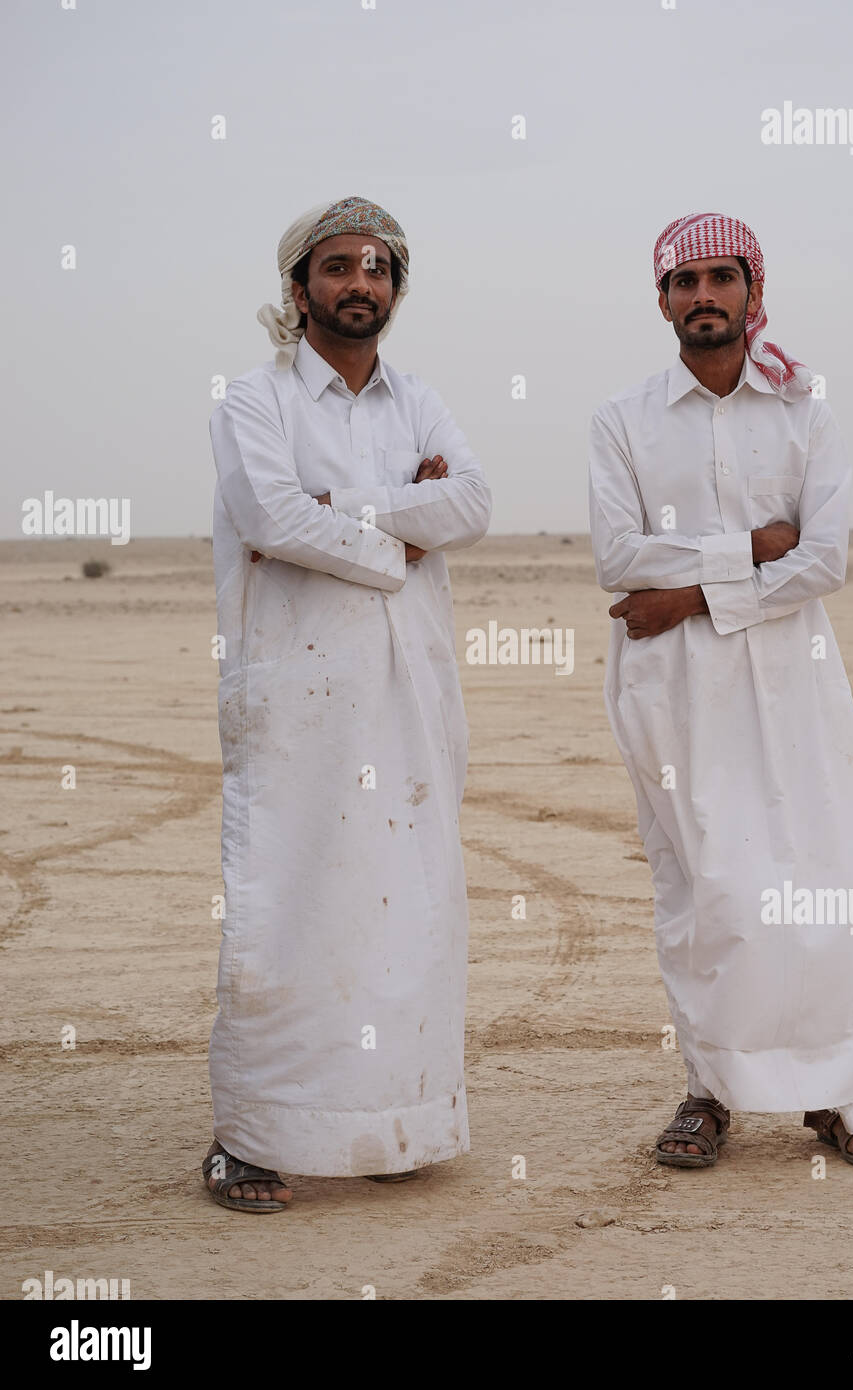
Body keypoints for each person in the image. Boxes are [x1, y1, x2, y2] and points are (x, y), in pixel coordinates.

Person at [588, 212, 853, 1170]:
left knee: (831, 872)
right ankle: (708, 1091)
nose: (702, 298)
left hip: (793, 674)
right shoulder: (624, 420)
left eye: (719, 278)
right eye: (683, 285)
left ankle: (840, 1097)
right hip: (673, 684)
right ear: (662, 303)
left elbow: (822, 561)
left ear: (753, 291)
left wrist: (687, 590)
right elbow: (617, 557)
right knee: (709, 885)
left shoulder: (806, 410)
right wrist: (747, 547)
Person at [203, 196, 491, 1211]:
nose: (357, 282)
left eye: (376, 267)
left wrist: (347, 511)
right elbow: (270, 516)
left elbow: (473, 501)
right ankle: (248, 1138)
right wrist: (396, 537)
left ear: (395, 290)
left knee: (404, 906)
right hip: (297, 699)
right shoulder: (253, 400)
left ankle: (391, 1123)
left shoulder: (420, 401)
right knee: (290, 903)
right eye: (336, 266)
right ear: (299, 288)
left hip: (408, 692)